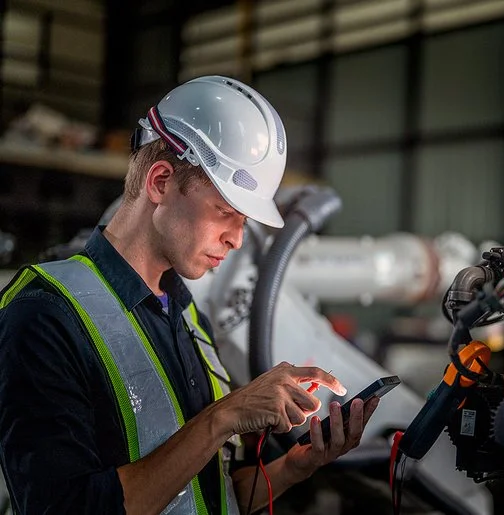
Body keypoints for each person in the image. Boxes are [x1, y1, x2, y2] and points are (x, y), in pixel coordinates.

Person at [0, 75, 380, 514]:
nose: (237, 240)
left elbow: (208, 495)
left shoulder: (182, 311)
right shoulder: (44, 314)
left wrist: (298, 465)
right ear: (160, 182)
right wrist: (224, 417)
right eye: (225, 213)